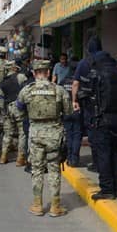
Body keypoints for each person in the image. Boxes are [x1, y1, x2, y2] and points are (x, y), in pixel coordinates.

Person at [17, 60, 72, 217]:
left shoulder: (27, 90)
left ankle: (37, 205)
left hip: (35, 135)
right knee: (54, 169)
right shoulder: (59, 90)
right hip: (55, 135)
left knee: (37, 170)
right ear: (48, 73)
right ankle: (55, 206)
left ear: (34, 74)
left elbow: (20, 110)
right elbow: (68, 113)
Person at [87, 51, 117, 200]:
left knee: (104, 155)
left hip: (103, 121)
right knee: (115, 154)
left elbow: (93, 100)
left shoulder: (98, 76)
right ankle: (116, 187)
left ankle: (107, 189)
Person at [72, 36, 103, 173]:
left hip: (89, 104)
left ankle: (97, 163)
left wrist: (74, 100)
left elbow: (75, 83)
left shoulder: (83, 63)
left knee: (92, 133)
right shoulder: (108, 61)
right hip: (106, 103)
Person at [0, 60, 28, 166]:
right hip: (19, 108)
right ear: (14, 68)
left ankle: (3, 156)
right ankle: (20, 158)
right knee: (22, 133)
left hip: (8, 109)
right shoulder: (21, 77)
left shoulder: (2, 82)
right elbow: (26, 92)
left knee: (7, 133)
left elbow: (0, 98)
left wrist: (3, 111)